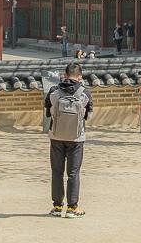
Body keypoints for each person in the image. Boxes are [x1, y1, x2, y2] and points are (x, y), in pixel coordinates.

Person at [45, 62, 93, 218]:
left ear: (65, 75)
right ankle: (73, 208)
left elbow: (47, 111)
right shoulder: (84, 93)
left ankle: (57, 206)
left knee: (57, 172)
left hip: (56, 137)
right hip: (76, 138)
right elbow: (88, 116)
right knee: (73, 173)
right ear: (80, 77)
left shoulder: (54, 91)